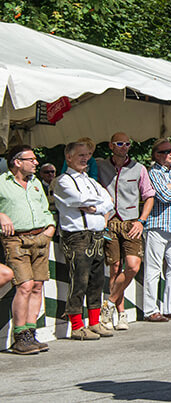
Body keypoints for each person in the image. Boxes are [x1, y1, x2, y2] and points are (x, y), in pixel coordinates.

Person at [53, 141, 116, 340]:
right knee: (79, 279)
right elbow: (77, 200)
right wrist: (95, 202)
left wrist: (95, 206)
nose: (85, 158)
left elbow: (108, 202)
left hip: (96, 234)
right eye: (80, 155)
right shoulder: (63, 180)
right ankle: (77, 325)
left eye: (87, 155)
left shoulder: (90, 180)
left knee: (97, 280)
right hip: (78, 235)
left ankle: (94, 322)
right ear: (69, 157)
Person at [95, 131, 156, 331]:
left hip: (131, 222)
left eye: (127, 144)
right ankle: (120, 313)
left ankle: (110, 303)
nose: (124, 147)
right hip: (110, 221)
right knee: (114, 267)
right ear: (111, 145)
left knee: (132, 266)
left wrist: (141, 221)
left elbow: (149, 196)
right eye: (120, 143)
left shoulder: (139, 168)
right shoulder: (100, 165)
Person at [1, 145, 56, 354]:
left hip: (41, 237)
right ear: (17, 162)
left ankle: (31, 332)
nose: (36, 162)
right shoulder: (2, 183)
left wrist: (50, 227)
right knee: (24, 285)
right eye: (31, 159)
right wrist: (1, 215)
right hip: (17, 240)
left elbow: (45, 207)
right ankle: (20, 335)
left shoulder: (35, 184)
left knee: (37, 286)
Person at [143, 138, 171, 321]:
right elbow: (163, 195)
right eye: (165, 151)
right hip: (158, 224)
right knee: (153, 269)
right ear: (156, 155)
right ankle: (150, 309)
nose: (170, 153)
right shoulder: (153, 172)